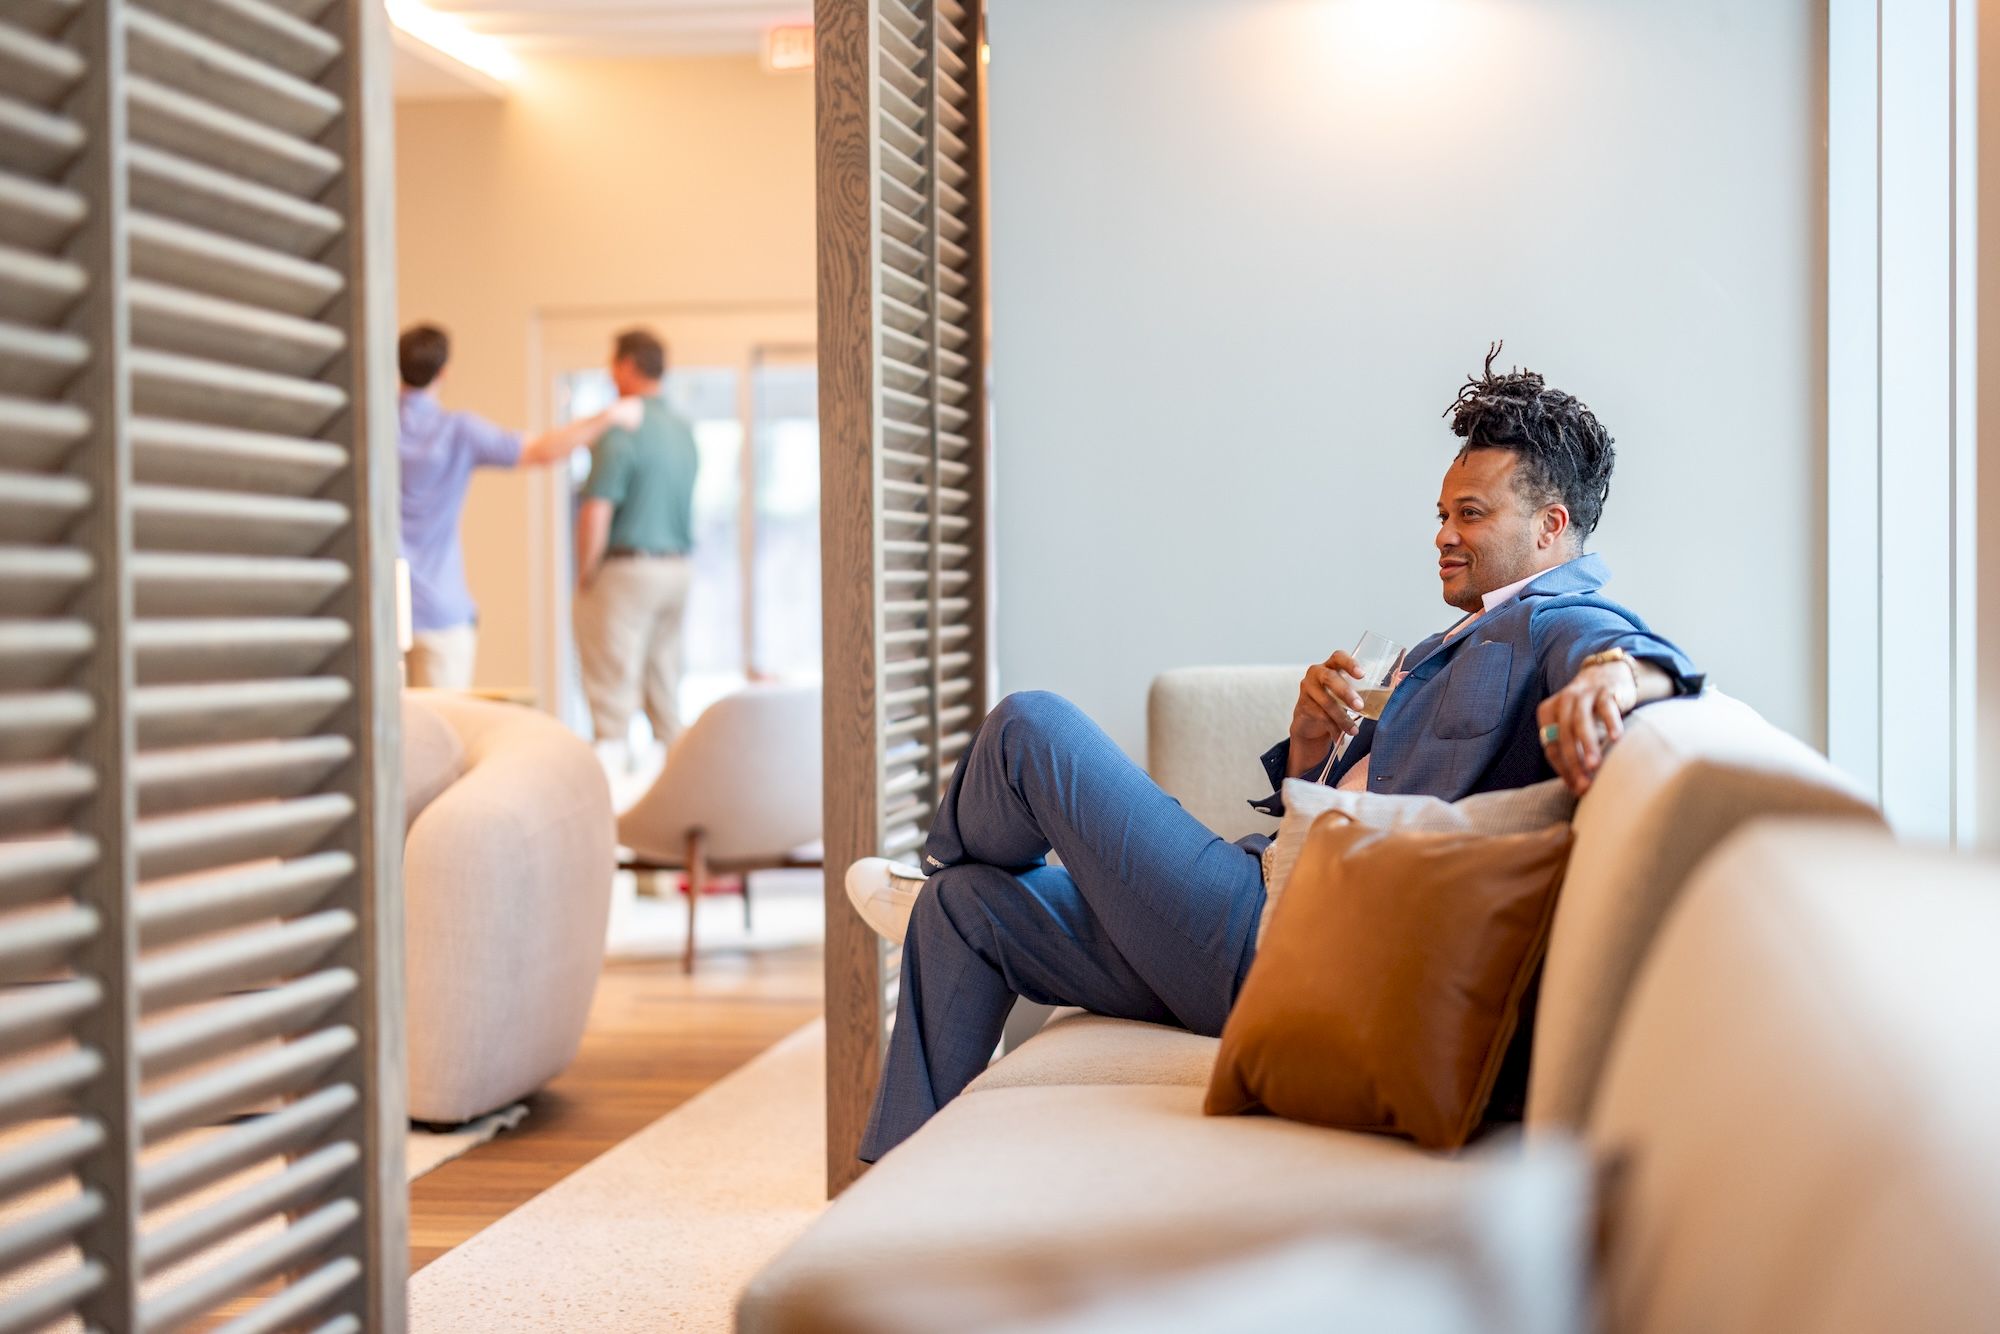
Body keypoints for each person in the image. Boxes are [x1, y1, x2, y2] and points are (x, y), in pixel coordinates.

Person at [843, 347, 1705, 1163]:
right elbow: (1332, 806)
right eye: (1442, 513)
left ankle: (939, 857)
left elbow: (1626, 648)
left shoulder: (1556, 619)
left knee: (1032, 729)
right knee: (968, 910)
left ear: (1553, 527)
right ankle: (882, 1201)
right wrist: (1310, 746)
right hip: (1261, 905)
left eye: (1471, 514)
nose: (1443, 533)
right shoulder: (1464, 633)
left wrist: (1616, 683)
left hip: (1280, 935)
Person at [398, 322, 638, 689]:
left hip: (383, 616)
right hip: (442, 617)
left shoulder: (373, 427)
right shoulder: (457, 430)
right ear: (444, 372)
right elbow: (542, 450)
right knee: (441, 735)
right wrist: (608, 416)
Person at [572, 328, 702, 765]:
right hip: (677, 571)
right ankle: (681, 813)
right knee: (665, 693)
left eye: (613, 364)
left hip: (627, 571)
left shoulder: (622, 426)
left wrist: (587, 573)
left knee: (612, 698)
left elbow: (597, 510)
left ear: (628, 365)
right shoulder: (683, 430)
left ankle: (612, 815)